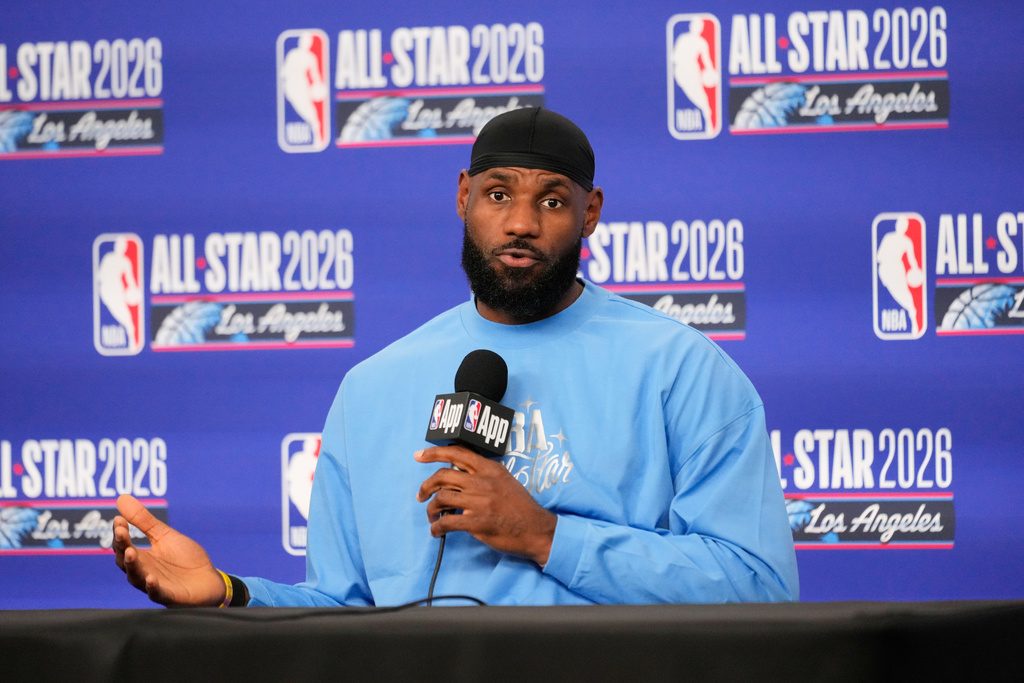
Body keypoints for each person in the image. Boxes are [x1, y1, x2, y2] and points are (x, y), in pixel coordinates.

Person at [113, 107, 799, 606]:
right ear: (464, 196)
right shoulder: (371, 388)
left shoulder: (681, 368)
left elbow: (760, 587)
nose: (521, 222)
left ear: (590, 214)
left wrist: (546, 534)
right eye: (499, 194)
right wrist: (230, 591)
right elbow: (345, 611)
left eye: (551, 200)